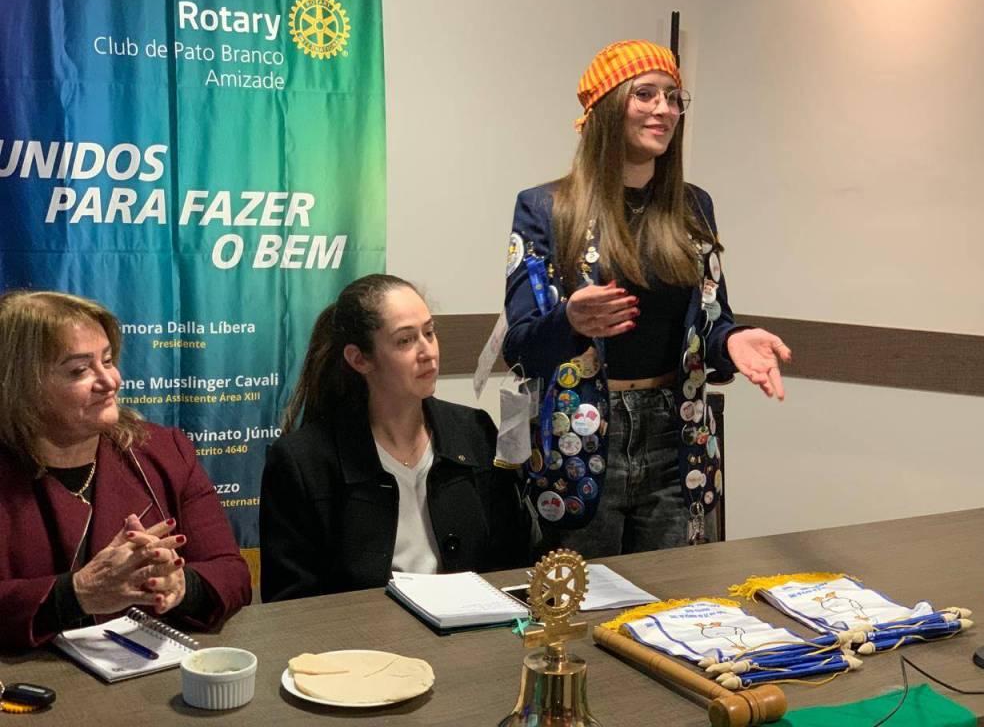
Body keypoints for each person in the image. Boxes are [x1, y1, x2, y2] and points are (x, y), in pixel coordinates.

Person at [502, 39, 792, 558]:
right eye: (645, 94)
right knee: (583, 594)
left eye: (673, 97)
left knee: (674, 591)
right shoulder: (547, 207)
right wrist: (570, 320)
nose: (664, 108)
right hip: (581, 437)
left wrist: (732, 341)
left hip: (675, 434)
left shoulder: (692, 206)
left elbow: (709, 320)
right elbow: (521, 346)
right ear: (606, 108)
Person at [0, 290, 252, 651]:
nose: (110, 381)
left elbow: (232, 573)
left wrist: (179, 584)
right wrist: (76, 593)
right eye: (79, 370)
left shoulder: (164, 451)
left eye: (107, 360)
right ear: (19, 384)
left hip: (153, 672)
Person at [259, 274, 530, 602]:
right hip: (361, 631)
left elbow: (510, 562)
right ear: (360, 359)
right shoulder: (302, 461)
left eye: (429, 332)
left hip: (473, 623)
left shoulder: (474, 430)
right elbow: (291, 602)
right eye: (405, 341)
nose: (427, 352)